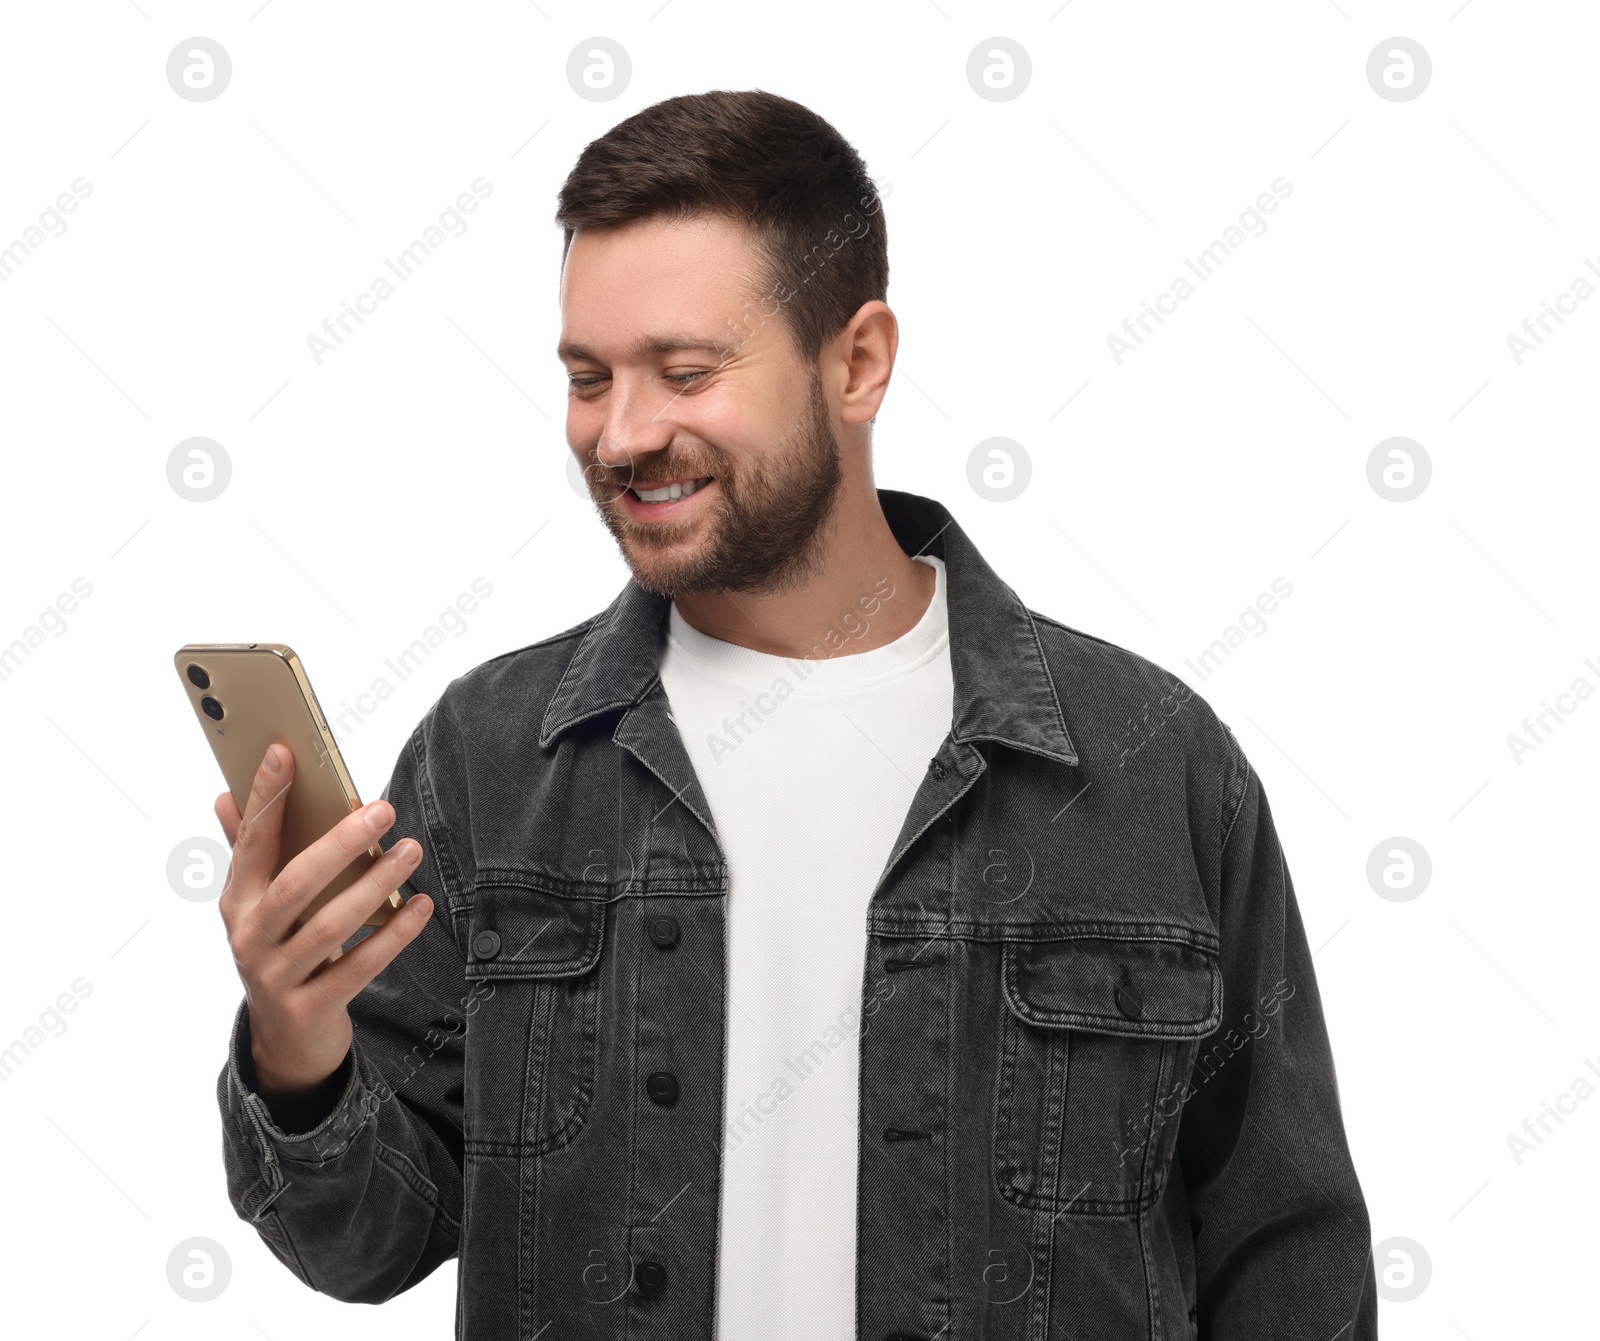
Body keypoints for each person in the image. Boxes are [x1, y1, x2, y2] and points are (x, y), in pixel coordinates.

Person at [216, 88, 1377, 1340]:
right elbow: (369, 1246)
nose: (621, 435)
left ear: (858, 362)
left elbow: (1286, 1256)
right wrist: (297, 1043)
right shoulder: (491, 755)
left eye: (686, 371)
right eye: (588, 377)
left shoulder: (1151, 762)